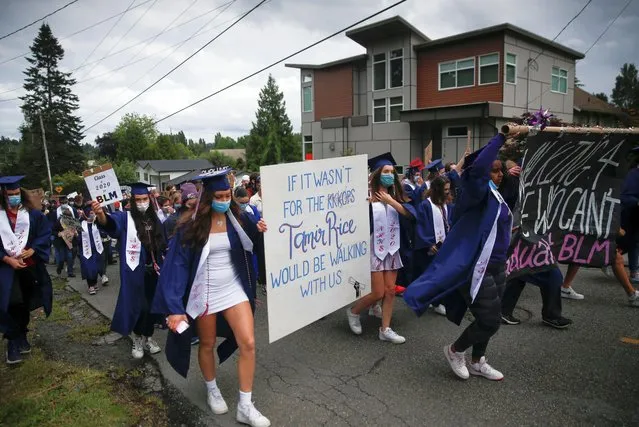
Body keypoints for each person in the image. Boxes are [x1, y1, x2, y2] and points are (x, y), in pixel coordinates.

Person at [152, 168, 271, 427]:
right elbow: (177, 267)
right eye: (219, 195)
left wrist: (260, 229)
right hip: (204, 292)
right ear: (207, 197)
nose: (224, 199)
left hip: (233, 288)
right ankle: (211, 387)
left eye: (227, 194)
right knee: (205, 343)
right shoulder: (191, 227)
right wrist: (174, 307)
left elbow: (252, 239)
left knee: (248, 342)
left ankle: (245, 405)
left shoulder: (237, 219)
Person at [404, 124, 519, 381]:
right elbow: (478, 169)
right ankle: (455, 350)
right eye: (494, 170)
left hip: (498, 265)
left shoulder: (496, 196)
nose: (499, 175)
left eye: (501, 171)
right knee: (490, 321)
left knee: (490, 317)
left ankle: (478, 361)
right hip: (475, 267)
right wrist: (500, 137)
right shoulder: (474, 194)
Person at [92, 183, 167, 359]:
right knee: (139, 307)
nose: (142, 203)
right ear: (132, 201)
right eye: (138, 200)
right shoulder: (125, 218)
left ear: (149, 199)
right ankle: (137, 338)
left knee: (153, 309)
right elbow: (111, 225)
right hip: (134, 271)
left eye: (144, 199)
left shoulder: (155, 218)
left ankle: (148, 338)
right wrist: (101, 214)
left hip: (154, 272)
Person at [346, 152, 412, 344]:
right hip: (374, 249)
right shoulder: (366, 197)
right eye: (386, 171)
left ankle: (385, 329)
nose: (390, 175)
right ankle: (353, 311)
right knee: (378, 293)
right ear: (377, 174)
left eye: (392, 172)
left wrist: (391, 202)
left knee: (391, 290)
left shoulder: (396, 196)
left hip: (392, 249)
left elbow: (410, 215)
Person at [0, 176, 53, 365]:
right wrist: (7, 259)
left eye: (16, 194)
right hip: (6, 270)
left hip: (29, 267)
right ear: (3, 195)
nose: (13, 197)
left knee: (24, 303)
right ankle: (12, 341)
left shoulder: (32, 214)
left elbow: (45, 233)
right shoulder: (0, 216)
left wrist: (33, 249)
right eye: (9, 195)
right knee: (11, 303)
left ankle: (22, 334)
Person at [413, 176, 452, 316]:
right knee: (431, 276)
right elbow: (420, 227)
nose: (448, 192)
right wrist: (429, 244)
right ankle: (434, 303)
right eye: (445, 190)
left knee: (440, 276)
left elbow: (449, 223)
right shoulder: (426, 205)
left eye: (448, 189)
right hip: (429, 249)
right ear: (437, 190)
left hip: (443, 246)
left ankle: (434, 301)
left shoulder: (445, 204)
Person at [77, 205, 107, 295]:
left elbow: (104, 234)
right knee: (89, 268)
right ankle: (91, 286)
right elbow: (78, 241)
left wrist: (103, 230)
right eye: (90, 213)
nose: (92, 215)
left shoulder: (97, 222)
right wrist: (75, 235)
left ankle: (94, 282)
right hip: (86, 250)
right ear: (85, 214)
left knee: (97, 267)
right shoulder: (79, 224)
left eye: (93, 213)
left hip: (97, 249)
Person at [52, 207, 77, 278]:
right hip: (60, 242)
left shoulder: (73, 222)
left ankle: (70, 272)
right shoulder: (58, 221)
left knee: (70, 257)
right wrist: (58, 234)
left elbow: (77, 231)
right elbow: (53, 231)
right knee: (62, 258)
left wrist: (75, 234)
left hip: (69, 241)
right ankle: (60, 267)